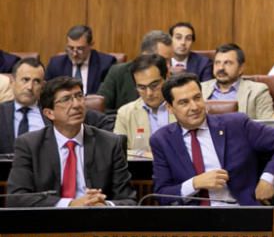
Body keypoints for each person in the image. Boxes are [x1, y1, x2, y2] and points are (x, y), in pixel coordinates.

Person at [150, 73, 274, 206]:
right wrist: (194, 183)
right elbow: (162, 195)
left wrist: (268, 179)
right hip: (191, 224)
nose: (194, 107)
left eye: (197, 98)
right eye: (184, 102)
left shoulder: (236, 124)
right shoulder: (162, 140)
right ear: (170, 107)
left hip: (240, 215)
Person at [6, 76, 136, 207]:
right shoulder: (29, 145)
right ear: (49, 113)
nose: (77, 105)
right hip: (48, 223)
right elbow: (16, 198)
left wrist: (104, 205)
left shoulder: (110, 143)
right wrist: (70, 204)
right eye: (66, 99)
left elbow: (129, 200)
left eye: (79, 96)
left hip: (96, 222)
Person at [1, 58, 113, 155]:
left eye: (37, 81)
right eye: (25, 80)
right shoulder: (2, 112)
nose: (30, 87)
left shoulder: (56, 109)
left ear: (43, 86)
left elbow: (106, 124)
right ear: (12, 82)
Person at [98, 30, 173, 112]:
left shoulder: (170, 76)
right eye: (163, 60)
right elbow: (101, 109)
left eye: (170, 60)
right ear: (145, 54)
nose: (168, 66)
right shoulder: (118, 72)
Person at [114, 54, 174, 152]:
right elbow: (118, 154)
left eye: (154, 85)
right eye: (142, 88)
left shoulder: (182, 107)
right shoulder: (125, 114)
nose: (149, 93)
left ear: (167, 78)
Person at [201, 43, 274, 119]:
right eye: (217, 63)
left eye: (228, 63)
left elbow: (267, 125)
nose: (221, 68)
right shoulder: (200, 88)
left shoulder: (257, 91)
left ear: (241, 68)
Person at [44, 25, 118, 94]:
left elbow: (107, 95)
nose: (74, 54)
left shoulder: (106, 64)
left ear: (91, 45)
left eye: (80, 49)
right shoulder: (56, 64)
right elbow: (47, 93)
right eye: (71, 48)